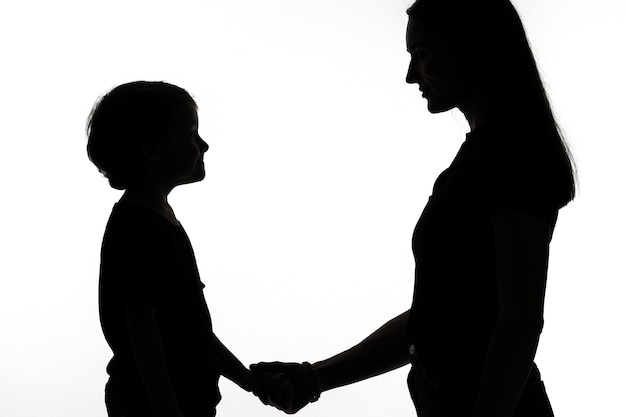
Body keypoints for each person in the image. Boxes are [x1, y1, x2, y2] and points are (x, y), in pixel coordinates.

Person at [251, 0, 576, 416]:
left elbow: (520, 321)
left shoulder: (512, 158)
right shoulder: (485, 159)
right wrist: (316, 377)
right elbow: (432, 321)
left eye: (420, 54)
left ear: (472, 48)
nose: (409, 75)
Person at [87, 81, 263, 417]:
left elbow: (193, 330)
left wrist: (250, 383)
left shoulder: (159, 221)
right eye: (190, 134)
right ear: (150, 149)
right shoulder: (138, 226)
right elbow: (142, 330)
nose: (204, 145)